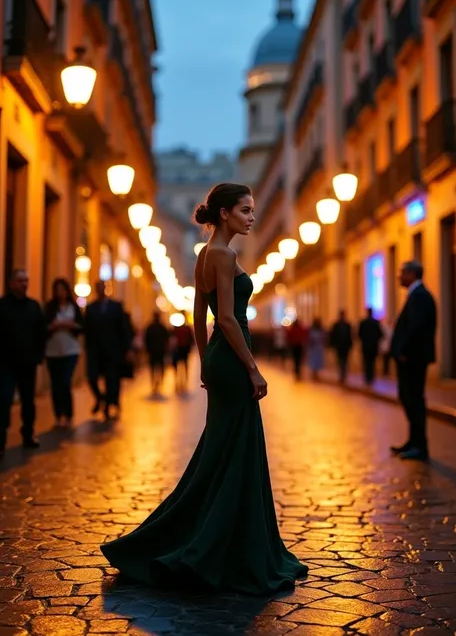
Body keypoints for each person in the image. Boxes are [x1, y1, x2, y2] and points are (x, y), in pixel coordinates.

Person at [101, 182, 308, 594]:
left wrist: (204, 358)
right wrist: (253, 369)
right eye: (246, 210)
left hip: (220, 358)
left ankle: (208, 535)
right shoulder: (224, 255)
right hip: (233, 358)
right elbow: (227, 319)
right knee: (235, 451)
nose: (252, 217)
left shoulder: (204, 256)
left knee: (222, 451)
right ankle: (221, 546)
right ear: (225, 213)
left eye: (252, 210)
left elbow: (200, 315)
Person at [390, 261, 436, 461]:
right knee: (409, 398)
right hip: (411, 357)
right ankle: (414, 441)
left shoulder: (420, 297)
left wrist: (403, 351)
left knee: (414, 399)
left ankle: (419, 445)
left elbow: (416, 328)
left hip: (413, 358)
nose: (399, 277)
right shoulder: (416, 296)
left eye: (402, 273)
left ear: (411, 274)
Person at [0, 269, 46, 457]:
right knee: (3, 401)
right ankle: (0, 441)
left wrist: (38, 355)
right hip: (5, 363)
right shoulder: (2, 306)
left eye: (26, 281)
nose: (24, 284)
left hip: (28, 363)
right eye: (20, 281)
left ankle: (28, 433)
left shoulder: (34, 307)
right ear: (12, 284)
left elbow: (40, 333)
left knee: (28, 401)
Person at [84, 281, 133, 421]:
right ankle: (101, 398)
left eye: (102, 288)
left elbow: (123, 329)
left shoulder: (116, 307)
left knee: (111, 379)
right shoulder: (91, 308)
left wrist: (127, 348)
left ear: (105, 289)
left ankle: (110, 405)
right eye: (97, 288)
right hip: (95, 350)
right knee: (92, 377)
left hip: (113, 351)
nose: (100, 290)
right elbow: (87, 330)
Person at [44, 278, 83, 428]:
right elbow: (44, 326)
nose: (60, 292)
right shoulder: (50, 307)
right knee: (55, 384)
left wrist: (70, 325)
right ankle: (58, 415)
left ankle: (68, 414)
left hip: (70, 350)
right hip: (53, 351)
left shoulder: (73, 307)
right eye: (58, 289)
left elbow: (81, 326)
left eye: (63, 289)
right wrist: (54, 326)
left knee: (65, 381)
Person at [144, 311, 170, 395]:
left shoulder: (150, 327)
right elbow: (167, 338)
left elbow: (146, 339)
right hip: (160, 351)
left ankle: (154, 383)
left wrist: (147, 349)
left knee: (153, 368)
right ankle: (160, 382)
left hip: (152, 351)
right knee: (161, 367)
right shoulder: (162, 327)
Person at [358, 308, 383, 386]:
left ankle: (368, 377)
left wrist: (364, 340)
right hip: (373, 346)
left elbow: (359, 334)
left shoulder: (363, 323)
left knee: (366, 362)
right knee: (372, 362)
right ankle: (371, 377)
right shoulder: (375, 323)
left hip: (366, 346)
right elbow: (380, 334)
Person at [171, 316, 194, 395]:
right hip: (185, 350)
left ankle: (178, 380)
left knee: (177, 366)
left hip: (178, 350)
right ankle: (184, 381)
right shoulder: (187, 329)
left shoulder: (175, 329)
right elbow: (191, 340)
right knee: (185, 365)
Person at [329, 310, 352, 384]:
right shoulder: (338, 325)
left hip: (344, 346)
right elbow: (333, 335)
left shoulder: (346, 325)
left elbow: (349, 336)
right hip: (340, 346)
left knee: (343, 361)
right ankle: (342, 374)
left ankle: (343, 374)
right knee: (341, 361)